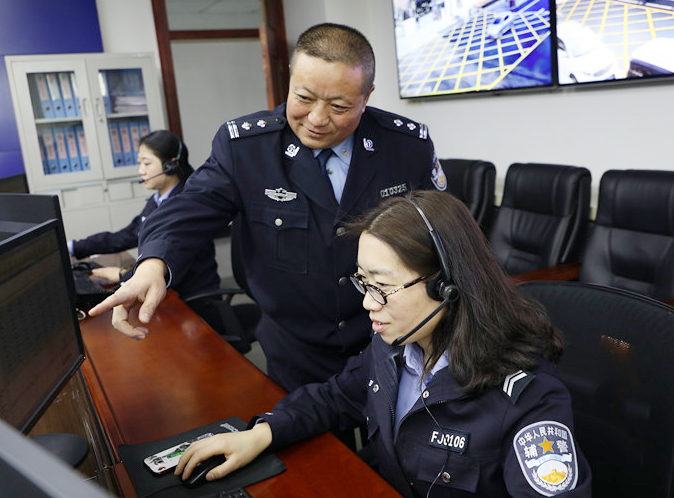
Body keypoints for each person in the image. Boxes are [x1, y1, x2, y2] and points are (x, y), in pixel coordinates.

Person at [89, 23, 447, 392]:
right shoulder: (246, 148)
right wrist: (152, 266)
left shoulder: (407, 146)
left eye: (339, 106)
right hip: (295, 348)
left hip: (390, 341)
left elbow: (445, 236)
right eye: (304, 98)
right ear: (290, 79)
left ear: (367, 95)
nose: (317, 119)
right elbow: (185, 212)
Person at [173, 190, 592, 497]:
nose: (367, 303)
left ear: (446, 286)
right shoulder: (395, 345)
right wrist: (262, 433)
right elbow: (336, 397)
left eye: (382, 287)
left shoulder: (528, 397)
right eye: (363, 282)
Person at [70, 130, 220, 300]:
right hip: (167, 294)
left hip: (191, 301)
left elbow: (173, 263)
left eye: (146, 163)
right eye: (139, 163)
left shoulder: (187, 204)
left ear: (170, 165)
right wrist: (74, 247)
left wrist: (123, 274)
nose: (141, 170)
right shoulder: (157, 200)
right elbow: (128, 235)